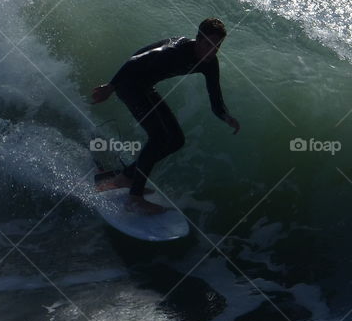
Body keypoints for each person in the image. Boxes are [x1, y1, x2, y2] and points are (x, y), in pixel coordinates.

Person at [91, 18, 240, 215]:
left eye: (218, 46)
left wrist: (225, 116)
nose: (213, 50)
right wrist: (110, 87)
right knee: (158, 137)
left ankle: (126, 177)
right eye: (208, 44)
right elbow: (134, 61)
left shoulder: (210, 63)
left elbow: (215, 97)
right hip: (129, 85)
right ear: (198, 39)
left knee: (176, 140)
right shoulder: (175, 51)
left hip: (145, 88)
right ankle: (135, 198)